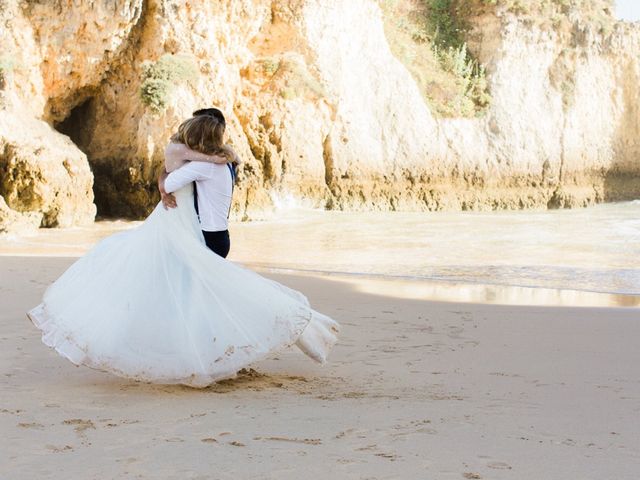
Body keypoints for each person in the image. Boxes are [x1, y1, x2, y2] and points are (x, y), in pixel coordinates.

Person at [26, 113, 339, 388]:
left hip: (205, 238)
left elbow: (174, 176)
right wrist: (168, 179)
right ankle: (217, 353)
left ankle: (286, 330)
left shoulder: (204, 167)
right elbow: (174, 172)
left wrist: (165, 182)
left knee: (209, 296)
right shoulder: (214, 164)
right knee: (202, 298)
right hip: (202, 234)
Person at [159, 114, 237, 257]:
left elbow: (168, 184)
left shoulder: (205, 165)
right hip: (220, 235)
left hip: (210, 238)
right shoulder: (226, 161)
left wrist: (163, 180)